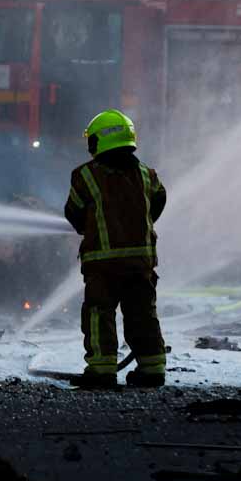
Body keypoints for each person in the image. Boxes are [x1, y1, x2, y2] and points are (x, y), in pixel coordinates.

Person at [63, 109, 167, 388]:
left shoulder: (84, 176)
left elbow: (74, 213)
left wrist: (94, 226)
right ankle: (153, 368)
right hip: (141, 261)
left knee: (99, 313)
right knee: (143, 313)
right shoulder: (147, 175)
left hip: (102, 264)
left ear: (98, 142)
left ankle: (102, 369)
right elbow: (158, 202)